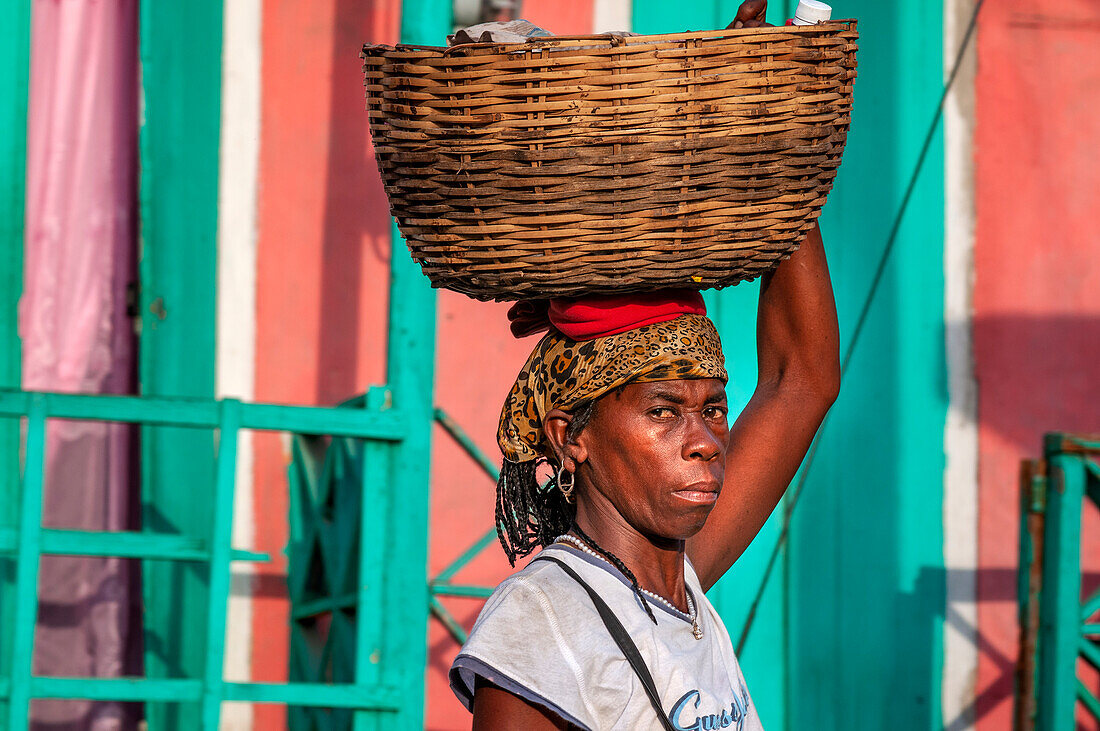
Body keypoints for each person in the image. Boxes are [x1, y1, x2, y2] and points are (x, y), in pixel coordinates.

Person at [448, 2, 841, 728]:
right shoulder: (540, 635)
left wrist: (763, 138)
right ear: (573, 435)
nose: (704, 439)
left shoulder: (678, 577)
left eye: (713, 407)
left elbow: (801, 380)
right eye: (664, 410)